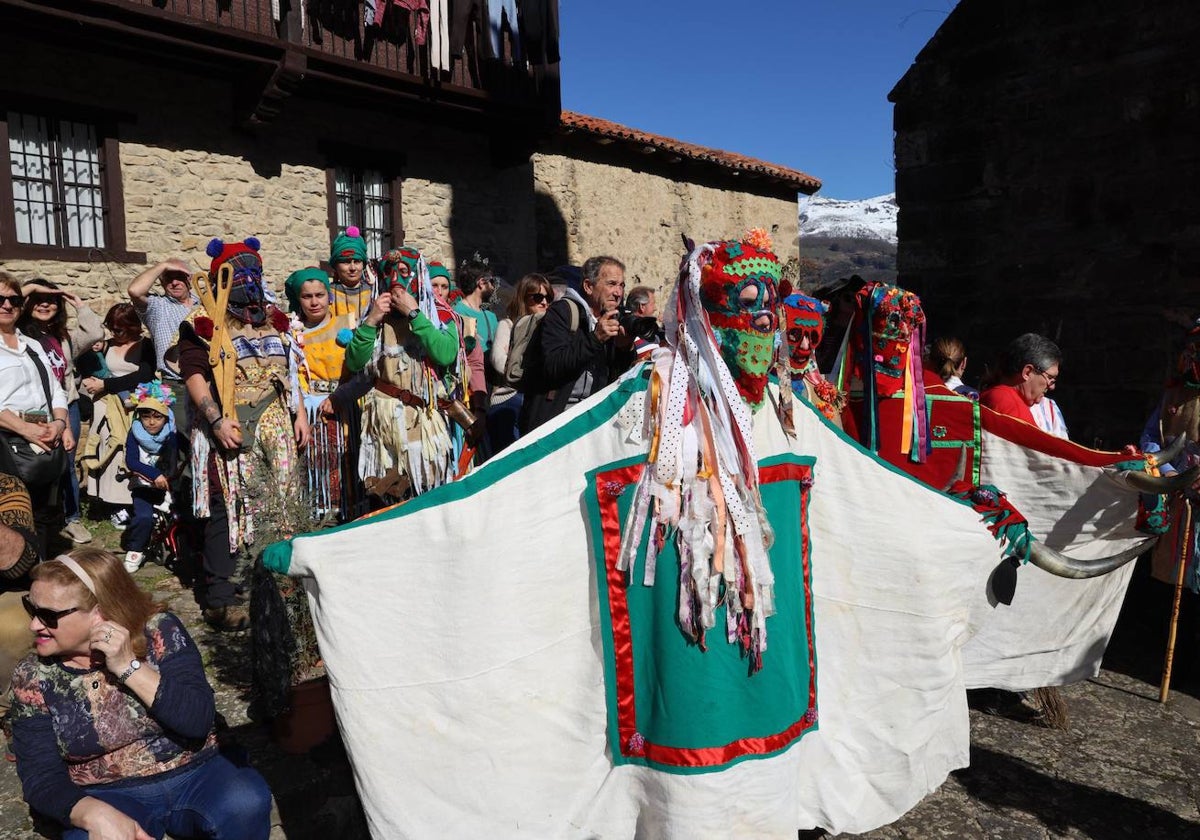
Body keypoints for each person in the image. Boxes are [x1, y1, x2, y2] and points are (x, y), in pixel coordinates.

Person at [9, 549, 272, 840]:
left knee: (244, 802)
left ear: (100, 614)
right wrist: (92, 812)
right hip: (110, 793)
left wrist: (127, 666)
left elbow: (197, 720)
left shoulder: (158, 632)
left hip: (197, 771)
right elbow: (40, 775)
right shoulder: (32, 676)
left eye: (48, 616)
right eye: (32, 609)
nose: (34, 624)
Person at [174, 236, 307, 631]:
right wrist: (216, 420)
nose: (248, 279)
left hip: (276, 417)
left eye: (254, 271)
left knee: (282, 496)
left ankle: (277, 577)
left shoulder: (273, 318)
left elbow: (291, 369)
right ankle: (221, 596)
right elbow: (194, 374)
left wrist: (297, 414)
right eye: (238, 272)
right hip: (229, 421)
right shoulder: (204, 321)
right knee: (229, 504)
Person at [344, 246, 462, 501]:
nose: (396, 280)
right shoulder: (375, 318)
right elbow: (354, 362)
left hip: (423, 425)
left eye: (404, 272)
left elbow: (445, 354)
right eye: (389, 273)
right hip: (383, 427)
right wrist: (372, 320)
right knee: (384, 495)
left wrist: (415, 314)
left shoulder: (440, 316)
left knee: (427, 495)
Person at [17, 280, 104, 544]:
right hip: (33, 409)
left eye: (51, 300)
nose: (45, 304)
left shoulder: (63, 337)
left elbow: (94, 332)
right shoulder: (18, 334)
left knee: (66, 462)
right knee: (35, 464)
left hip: (67, 405)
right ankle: (33, 517)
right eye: (38, 299)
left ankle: (71, 518)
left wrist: (77, 302)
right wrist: (29, 288)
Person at [283, 267, 365, 521]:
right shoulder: (292, 333)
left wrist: (341, 397)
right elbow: (292, 375)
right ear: (299, 299)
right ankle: (320, 521)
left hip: (345, 408)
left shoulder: (347, 324)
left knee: (348, 469)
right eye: (307, 296)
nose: (314, 301)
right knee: (317, 471)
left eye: (320, 294)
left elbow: (362, 369)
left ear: (329, 296)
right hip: (310, 412)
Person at [518, 255, 636, 433]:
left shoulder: (611, 319)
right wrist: (595, 338)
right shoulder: (562, 312)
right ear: (589, 286)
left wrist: (624, 348)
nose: (618, 293)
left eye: (621, 285)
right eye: (611, 284)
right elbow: (553, 365)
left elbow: (615, 382)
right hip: (553, 424)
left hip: (591, 426)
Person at [0, 272, 72, 558]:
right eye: (0, 299)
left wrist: (58, 422)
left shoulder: (34, 344)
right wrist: (23, 429)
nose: (7, 305)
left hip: (41, 436)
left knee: (42, 512)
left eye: (14, 300)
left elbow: (55, 389)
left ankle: (38, 571)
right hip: (6, 438)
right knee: (12, 512)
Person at [78, 304, 156, 524]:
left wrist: (107, 384)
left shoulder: (145, 346)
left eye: (119, 329)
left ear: (132, 327)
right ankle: (112, 502)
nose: (115, 333)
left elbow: (144, 376)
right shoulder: (106, 346)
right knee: (109, 450)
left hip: (133, 407)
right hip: (106, 407)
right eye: (112, 328)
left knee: (131, 451)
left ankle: (133, 500)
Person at [122, 381, 185, 574]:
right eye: (146, 416)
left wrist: (170, 475)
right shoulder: (135, 432)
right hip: (144, 485)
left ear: (166, 417)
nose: (151, 422)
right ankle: (136, 549)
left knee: (185, 516)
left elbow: (180, 457)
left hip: (171, 483)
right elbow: (132, 461)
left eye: (158, 417)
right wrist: (154, 474)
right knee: (143, 517)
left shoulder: (172, 434)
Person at [489, 273, 553, 454]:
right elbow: (499, 361)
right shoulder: (508, 325)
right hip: (510, 397)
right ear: (524, 298)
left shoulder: (549, 331)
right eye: (538, 297)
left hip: (536, 399)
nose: (544, 302)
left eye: (548, 298)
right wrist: (529, 374)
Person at [0, 473, 42, 724]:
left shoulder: (6, 486)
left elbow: (18, 563)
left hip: (6, 589)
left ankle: (10, 709)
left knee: (16, 625)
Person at [127, 259, 198, 380]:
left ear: (189, 279)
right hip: (176, 383)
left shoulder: (204, 304)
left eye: (179, 277)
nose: (174, 282)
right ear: (162, 282)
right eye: (169, 278)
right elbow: (135, 291)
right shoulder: (157, 306)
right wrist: (163, 266)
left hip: (208, 381)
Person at [979, 333, 1061, 428]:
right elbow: (1034, 442)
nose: (1052, 386)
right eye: (1050, 378)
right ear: (1027, 372)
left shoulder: (994, 395)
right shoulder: (1007, 402)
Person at [452, 253, 500, 356]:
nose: (493, 286)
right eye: (491, 281)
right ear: (482, 283)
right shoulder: (459, 312)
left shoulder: (491, 317)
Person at [328, 226, 374, 329]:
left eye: (357, 262)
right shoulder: (327, 295)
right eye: (346, 262)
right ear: (336, 265)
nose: (353, 268)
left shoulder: (373, 293)